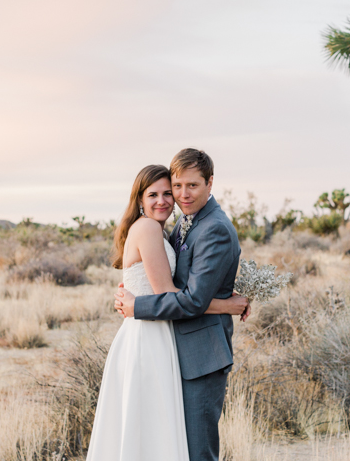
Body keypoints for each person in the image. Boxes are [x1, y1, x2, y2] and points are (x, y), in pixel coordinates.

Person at [86, 162, 248, 461]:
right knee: (152, 432)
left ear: (209, 184)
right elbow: (173, 294)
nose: (165, 199)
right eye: (155, 194)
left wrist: (137, 302)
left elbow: (184, 290)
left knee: (159, 435)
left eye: (168, 192)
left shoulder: (183, 227)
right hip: (150, 338)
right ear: (140, 199)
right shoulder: (150, 227)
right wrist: (228, 305)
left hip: (170, 340)